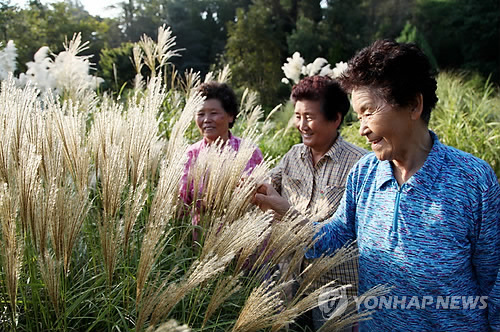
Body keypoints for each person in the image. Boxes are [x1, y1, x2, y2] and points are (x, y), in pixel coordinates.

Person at [255, 40, 500, 331]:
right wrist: (284, 210)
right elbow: (331, 240)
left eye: (368, 111)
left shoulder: (472, 180)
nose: (361, 129)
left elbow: (494, 279)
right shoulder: (365, 174)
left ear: (413, 105)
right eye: (358, 116)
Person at [255, 75, 367, 331]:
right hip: (290, 279)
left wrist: (286, 211)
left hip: (337, 288)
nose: (301, 125)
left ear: (335, 118)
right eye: (297, 116)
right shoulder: (293, 156)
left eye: (309, 117)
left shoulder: (360, 165)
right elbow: (268, 185)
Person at [179, 81, 263, 239]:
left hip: (244, 240)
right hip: (202, 242)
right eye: (201, 113)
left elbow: (263, 199)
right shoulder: (192, 154)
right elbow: (181, 205)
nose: (206, 119)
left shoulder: (249, 151)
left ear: (230, 116)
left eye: (213, 113)